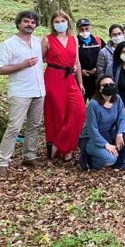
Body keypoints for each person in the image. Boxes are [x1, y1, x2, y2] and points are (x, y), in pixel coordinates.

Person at [0, 11, 46, 178]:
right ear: (18, 23)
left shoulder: (38, 42)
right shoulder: (8, 44)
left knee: (35, 125)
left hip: (38, 90)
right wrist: (21, 65)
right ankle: (2, 162)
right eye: (26, 21)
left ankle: (29, 156)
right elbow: (0, 69)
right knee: (14, 127)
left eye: (32, 22)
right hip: (20, 92)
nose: (29, 24)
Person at [42, 11, 87, 161]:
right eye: (57, 21)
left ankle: (59, 144)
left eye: (63, 20)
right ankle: (65, 151)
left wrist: (80, 82)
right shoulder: (47, 40)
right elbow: (41, 59)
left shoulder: (73, 39)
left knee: (79, 112)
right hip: (53, 77)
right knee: (58, 114)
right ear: (52, 24)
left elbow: (77, 63)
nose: (60, 23)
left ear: (68, 22)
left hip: (70, 78)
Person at [82, 75, 125, 170]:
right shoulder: (93, 104)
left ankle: (121, 162)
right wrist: (106, 145)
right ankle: (90, 161)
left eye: (111, 84)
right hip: (92, 139)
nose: (109, 86)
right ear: (99, 89)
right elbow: (92, 130)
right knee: (110, 159)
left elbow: (122, 118)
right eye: (105, 85)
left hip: (110, 134)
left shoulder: (117, 99)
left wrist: (120, 133)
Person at [76, 18, 104, 100]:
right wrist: (80, 71)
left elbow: (105, 57)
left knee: (96, 103)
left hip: (96, 79)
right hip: (80, 80)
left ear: (90, 28)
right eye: (81, 29)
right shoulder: (74, 42)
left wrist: (97, 69)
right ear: (77, 30)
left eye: (86, 28)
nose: (84, 31)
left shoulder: (98, 41)